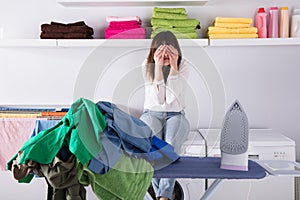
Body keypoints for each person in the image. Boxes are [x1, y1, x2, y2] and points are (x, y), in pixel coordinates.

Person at [140, 31, 190, 200]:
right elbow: (160, 100)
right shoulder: (146, 66)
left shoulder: (184, 66)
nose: (166, 54)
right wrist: (158, 68)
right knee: (152, 145)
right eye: (161, 50)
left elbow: (170, 98)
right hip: (151, 113)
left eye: (170, 50)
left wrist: (174, 67)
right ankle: (160, 192)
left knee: (169, 145)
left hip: (176, 115)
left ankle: (163, 196)